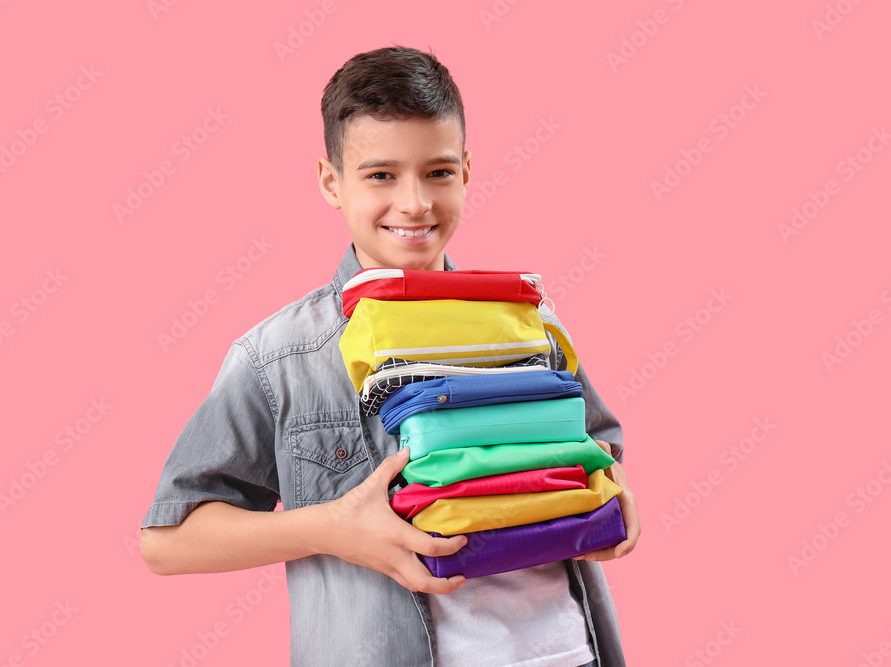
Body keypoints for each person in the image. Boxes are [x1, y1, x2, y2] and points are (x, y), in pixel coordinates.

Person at [140, 44, 640, 667]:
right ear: (331, 181)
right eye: (381, 175)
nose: (414, 203)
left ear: (466, 169)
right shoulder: (279, 359)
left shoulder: (532, 322)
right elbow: (167, 540)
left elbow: (599, 449)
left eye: (438, 172)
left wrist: (611, 493)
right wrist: (331, 529)